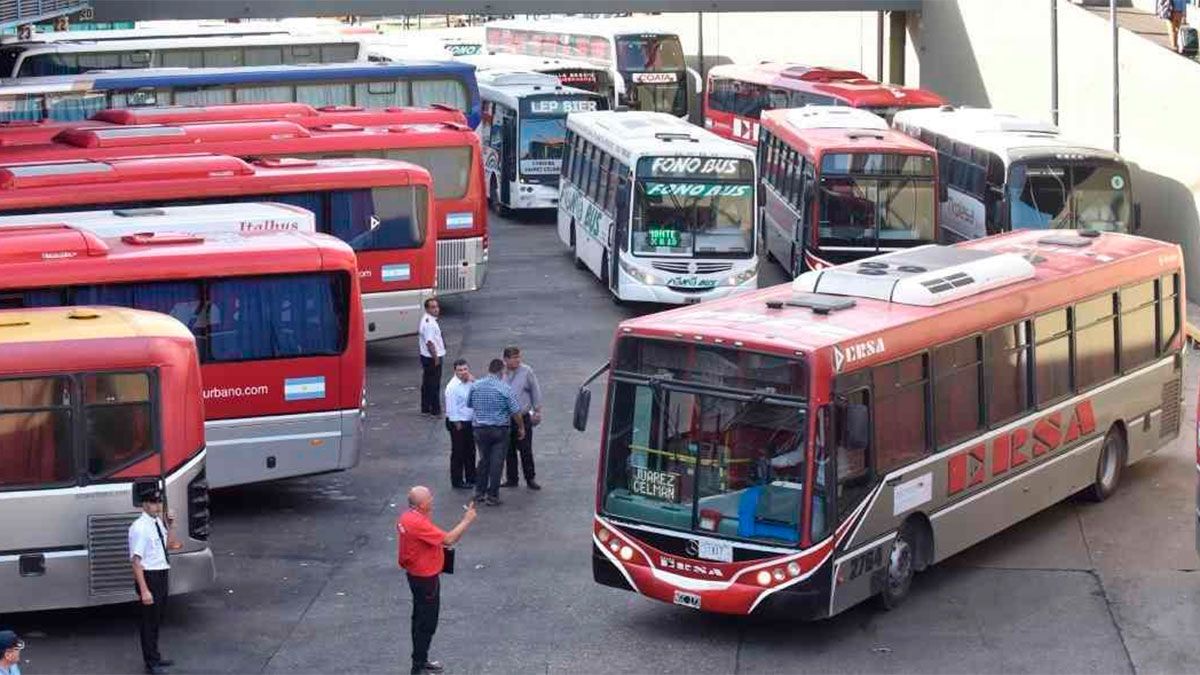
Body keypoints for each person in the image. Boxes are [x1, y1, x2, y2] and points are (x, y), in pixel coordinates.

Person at [397, 486, 477, 675]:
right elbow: (448, 539)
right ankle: (419, 666)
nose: (432, 500)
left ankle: (420, 660)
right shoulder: (418, 523)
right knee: (427, 623)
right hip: (426, 579)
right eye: (429, 499)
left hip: (416, 575)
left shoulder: (407, 517)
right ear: (421, 505)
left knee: (419, 619)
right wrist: (467, 520)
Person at [128, 482, 173, 675]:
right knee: (148, 621)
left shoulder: (157, 523)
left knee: (157, 619)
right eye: (154, 503)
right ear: (145, 504)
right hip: (149, 576)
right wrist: (144, 590)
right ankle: (151, 663)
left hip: (161, 573)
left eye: (159, 502)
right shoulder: (139, 528)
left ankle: (155, 656)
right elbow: (136, 561)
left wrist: (171, 526)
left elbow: (168, 545)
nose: (158, 506)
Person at [468, 359, 526, 506]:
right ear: (501, 371)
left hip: (480, 429)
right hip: (499, 429)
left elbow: (470, 404)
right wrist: (521, 427)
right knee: (497, 463)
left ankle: (479, 492)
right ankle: (492, 496)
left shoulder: (476, 386)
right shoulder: (504, 388)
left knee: (483, 460)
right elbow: (515, 411)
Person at [501, 346, 543, 490]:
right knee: (509, 449)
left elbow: (535, 390)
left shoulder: (527, 371)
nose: (517, 360)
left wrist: (537, 410)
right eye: (514, 358)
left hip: (523, 416)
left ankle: (530, 478)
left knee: (525, 449)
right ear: (505, 359)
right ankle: (512, 478)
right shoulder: (501, 372)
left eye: (518, 357)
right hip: (506, 417)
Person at [443, 359, 476, 489]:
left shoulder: (470, 382)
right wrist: (457, 424)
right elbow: (451, 408)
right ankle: (457, 481)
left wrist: (474, 380)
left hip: (469, 421)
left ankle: (471, 477)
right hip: (458, 423)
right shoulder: (452, 387)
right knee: (458, 452)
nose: (463, 372)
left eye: (465, 369)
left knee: (470, 451)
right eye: (460, 370)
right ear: (455, 371)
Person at [419, 298, 446, 416]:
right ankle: (435, 409)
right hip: (432, 357)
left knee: (427, 383)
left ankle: (425, 407)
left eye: (437, 307)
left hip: (426, 356)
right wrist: (436, 358)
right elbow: (430, 343)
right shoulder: (429, 324)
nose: (436, 309)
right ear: (427, 309)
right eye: (433, 307)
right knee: (434, 384)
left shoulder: (426, 319)